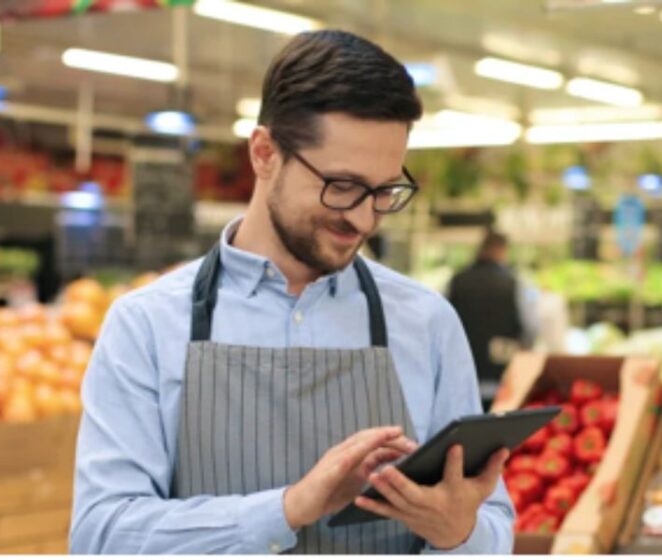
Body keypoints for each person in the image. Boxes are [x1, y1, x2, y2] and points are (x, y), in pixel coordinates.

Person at [70, 30, 513, 554]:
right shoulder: (145, 326)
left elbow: (493, 528)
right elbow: (102, 537)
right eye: (342, 186)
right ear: (264, 154)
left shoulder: (427, 323)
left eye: (385, 190)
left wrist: (459, 532)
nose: (364, 216)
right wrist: (288, 509)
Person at [447, 230, 542, 406]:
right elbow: (532, 326)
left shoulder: (455, 281)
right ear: (502, 250)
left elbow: (443, 325)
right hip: (502, 378)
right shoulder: (516, 283)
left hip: (462, 377)